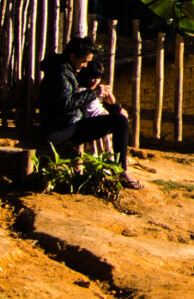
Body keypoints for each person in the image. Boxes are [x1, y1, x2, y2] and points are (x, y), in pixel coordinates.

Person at [38, 36, 137, 186]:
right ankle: (121, 171)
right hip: (62, 129)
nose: (85, 66)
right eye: (84, 61)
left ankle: (120, 170)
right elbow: (66, 103)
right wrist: (93, 93)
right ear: (72, 56)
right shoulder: (60, 74)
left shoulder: (67, 71)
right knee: (120, 122)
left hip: (69, 124)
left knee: (119, 120)